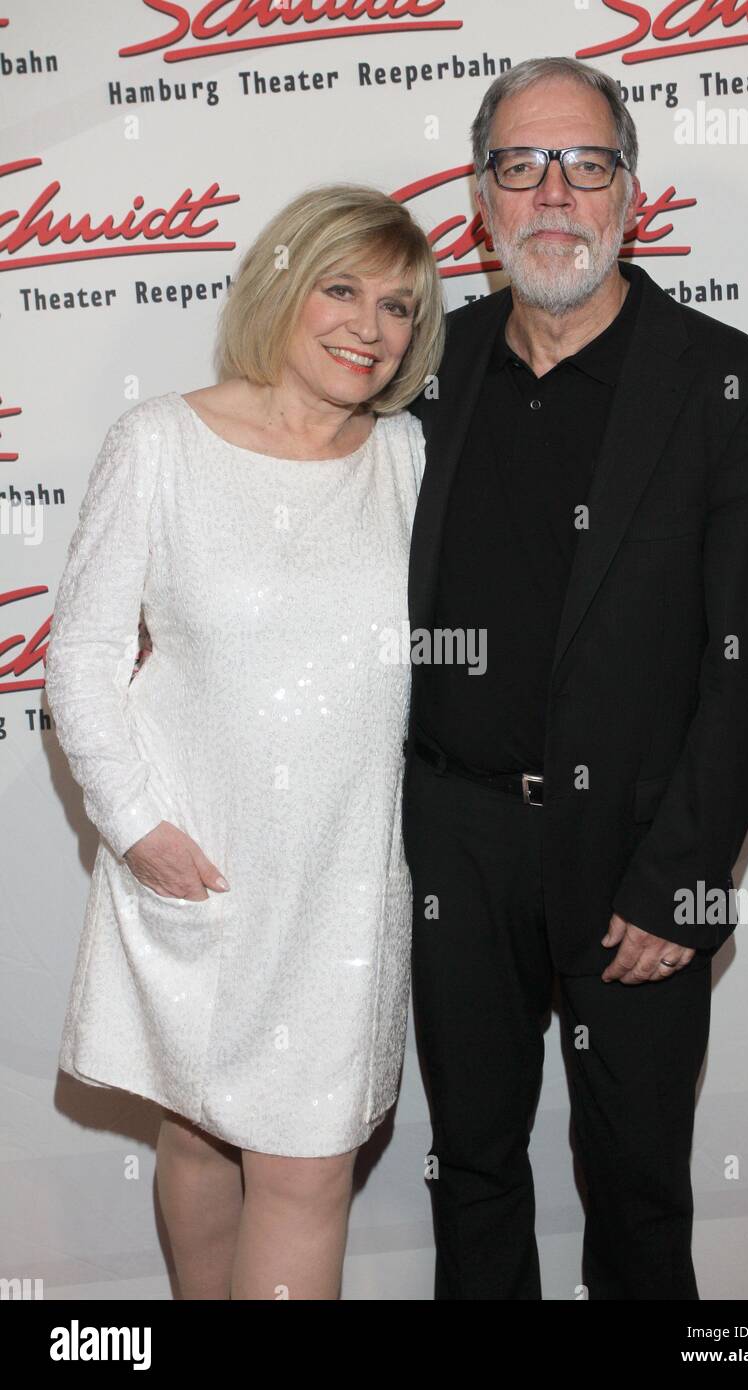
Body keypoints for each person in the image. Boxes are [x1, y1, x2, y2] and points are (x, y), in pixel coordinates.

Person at [403, 57, 748, 1299]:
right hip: (454, 843)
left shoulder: (732, 390)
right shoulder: (421, 373)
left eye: (585, 166)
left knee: (636, 1192)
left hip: (637, 853)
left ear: (631, 196)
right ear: (477, 199)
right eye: (519, 167)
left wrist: (683, 879)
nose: (553, 195)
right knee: (470, 1169)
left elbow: (747, 668)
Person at [45, 183, 444, 1300]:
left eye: (400, 306)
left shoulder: (408, 459)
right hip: (200, 865)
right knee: (198, 1131)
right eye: (342, 289)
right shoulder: (162, 442)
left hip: (342, 885)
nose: (370, 326)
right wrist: (135, 830)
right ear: (281, 284)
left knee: (307, 1170)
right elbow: (78, 659)